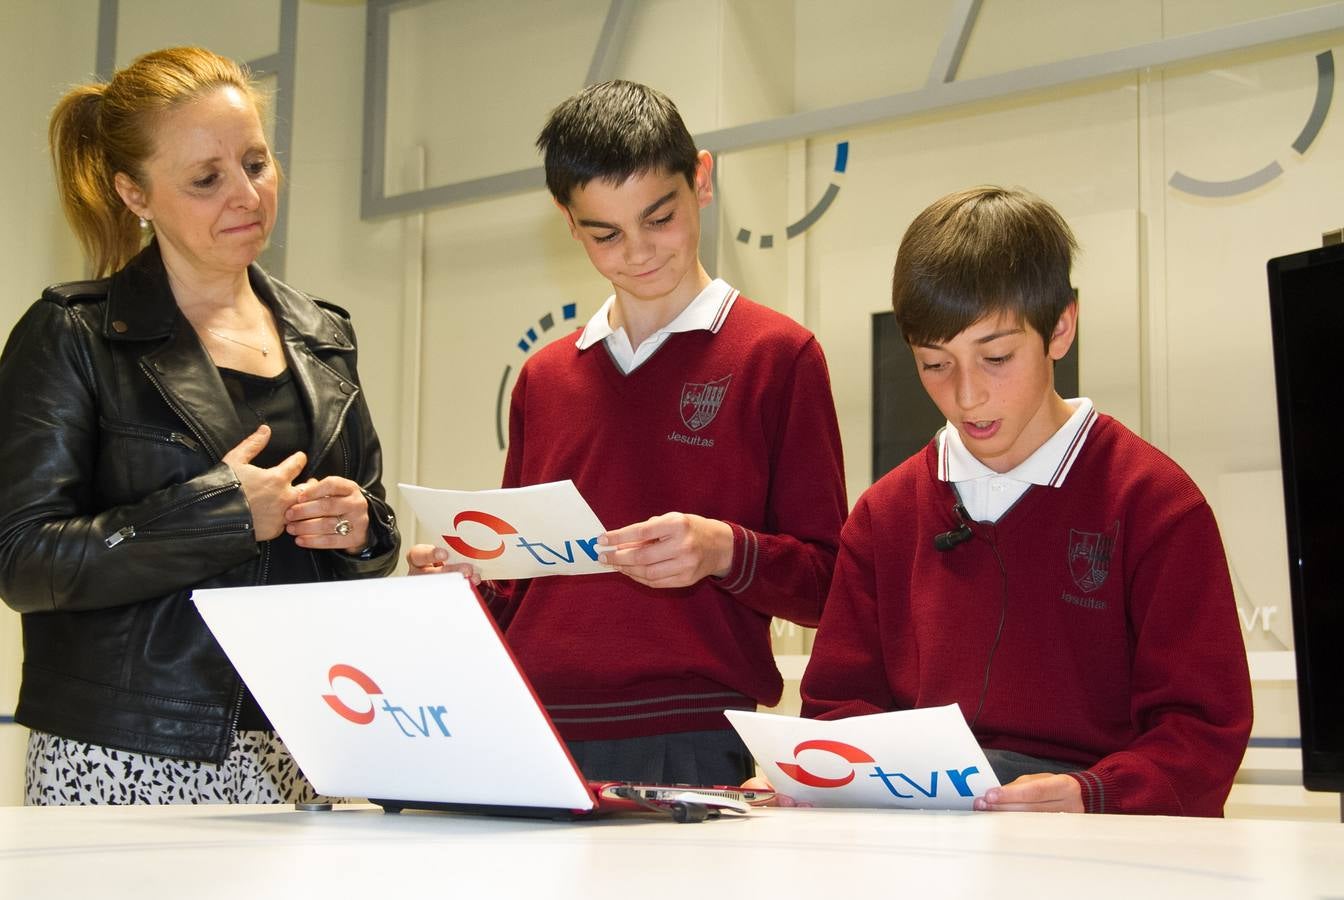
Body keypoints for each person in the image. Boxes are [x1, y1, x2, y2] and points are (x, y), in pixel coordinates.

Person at [408, 80, 847, 786]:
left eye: (658, 218)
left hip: (689, 735)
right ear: (567, 219)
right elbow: (524, 581)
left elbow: (828, 587)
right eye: (604, 233)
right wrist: (468, 576)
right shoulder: (545, 378)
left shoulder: (777, 356)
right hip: (534, 728)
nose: (637, 251)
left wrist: (723, 551)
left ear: (700, 179)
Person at [0, 46, 399, 805]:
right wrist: (219, 515)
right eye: (205, 179)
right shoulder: (73, 334)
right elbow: (23, 560)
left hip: (312, 735)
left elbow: (371, 540)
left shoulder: (324, 335)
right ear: (134, 193)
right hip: (130, 744)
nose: (246, 195)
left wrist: (360, 529)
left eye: (256, 161)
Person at [797, 186, 1252, 815]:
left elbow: (1202, 732)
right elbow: (837, 706)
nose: (967, 396)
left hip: (1093, 841)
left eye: (998, 357)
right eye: (935, 365)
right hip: (925, 837)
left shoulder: (1153, 504)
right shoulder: (885, 516)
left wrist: (1093, 794)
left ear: (1060, 327)